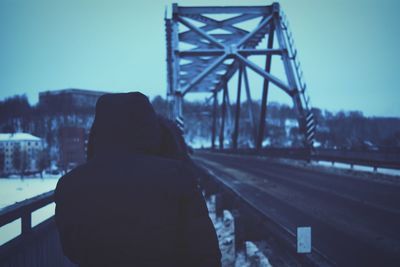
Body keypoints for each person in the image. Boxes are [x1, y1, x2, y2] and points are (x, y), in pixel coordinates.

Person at [55, 92, 221, 267]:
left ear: (98, 130)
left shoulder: (70, 185)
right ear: (150, 128)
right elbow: (205, 252)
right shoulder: (178, 176)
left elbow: (72, 249)